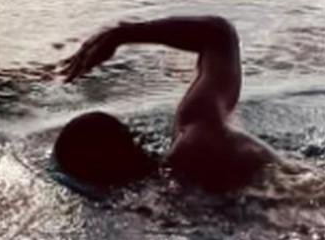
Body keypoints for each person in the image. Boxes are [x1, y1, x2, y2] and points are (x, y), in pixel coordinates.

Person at [53, 14, 277, 194]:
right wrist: (120, 34)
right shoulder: (196, 133)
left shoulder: (161, 206)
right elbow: (218, 34)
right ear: (132, 135)